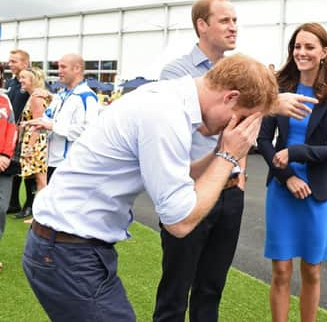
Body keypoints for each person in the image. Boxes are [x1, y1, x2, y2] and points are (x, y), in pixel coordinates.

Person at [22, 54, 278, 322]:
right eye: (242, 119)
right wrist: (228, 156)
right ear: (230, 98)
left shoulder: (167, 99)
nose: (237, 128)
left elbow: (175, 175)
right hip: (67, 252)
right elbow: (179, 222)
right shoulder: (165, 114)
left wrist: (219, 153)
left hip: (67, 247)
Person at [154, 0, 318, 322]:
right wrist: (269, 102)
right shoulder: (178, 73)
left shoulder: (243, 71)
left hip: (230, 191)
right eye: (225, 20)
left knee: (212, 287)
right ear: (202, 25)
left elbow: (244, 128)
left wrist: (239, 174)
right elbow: (199, 125)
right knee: (175, 291)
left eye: (235, 20)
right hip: (191, 189)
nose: (233, 27)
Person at [257, 23, 327, 322]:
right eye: (297, 46)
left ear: (324, 52)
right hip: (282, 188)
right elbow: (262, 140)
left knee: (311, 269)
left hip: (317, 191)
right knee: (281, 269)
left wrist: (296, 153)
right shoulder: (279, 86)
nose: (301, 52)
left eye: (309, 47)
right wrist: (288, 176)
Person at [25, 53, 99, 182]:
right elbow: (47, 120)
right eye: (58, 67)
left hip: (72, 166)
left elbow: (89, 131)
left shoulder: (87, 96)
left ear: (76, 69)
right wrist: (37, 124)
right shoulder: (60, 95)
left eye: (63, 67)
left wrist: (51, 126)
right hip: (51, 162)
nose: (59, 71)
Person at [18, 68, 53, 197]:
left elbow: (38, 124)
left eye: (23, 78)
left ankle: (41, 215)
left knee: (41, 181)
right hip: (36, 141)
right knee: (40, 181)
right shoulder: (35, 96)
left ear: (33, 80)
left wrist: (30, 148)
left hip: (37, 142)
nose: (20, 80)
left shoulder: (35, 98)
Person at [6, 49, 31, 215]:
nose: (10, 64)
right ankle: (13, 202)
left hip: (28, 132)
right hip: (12, 132)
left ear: (25, 63)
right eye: (10, 61)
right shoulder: (10, 83)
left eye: (14, 61)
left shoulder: (32, 81)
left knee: (29, 169)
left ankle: (30, 204)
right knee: (14, 167)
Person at [0, 70, 19, 272]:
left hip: (2, 164)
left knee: (0, 209)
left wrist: (5, 155)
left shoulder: (4, 99)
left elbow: (12, 129)